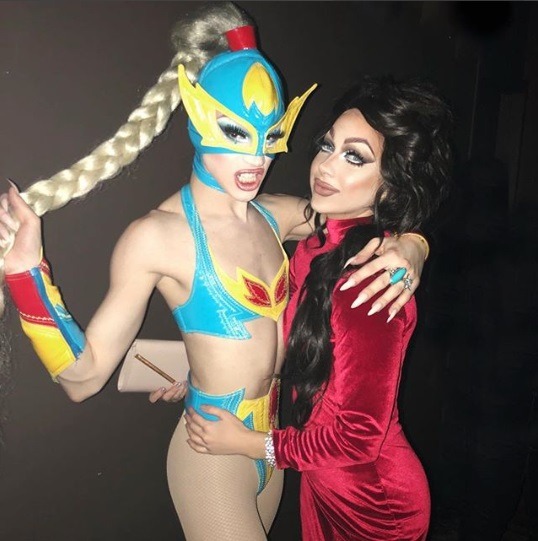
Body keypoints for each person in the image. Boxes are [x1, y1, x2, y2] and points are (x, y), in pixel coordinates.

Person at [0, 4, 428, 540]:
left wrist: (413, 244)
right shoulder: (156, 236)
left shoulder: (274, 215)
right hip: (211, 451)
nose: (257, 159)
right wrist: (26, 274)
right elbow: (82, 379)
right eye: (235, 132)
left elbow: (362, 213)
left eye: (269, 137)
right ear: (200, 119)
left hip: (273, 448)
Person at [184, 75, 453, 540]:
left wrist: (249, 443)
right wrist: (203, 372)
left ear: (391, 186)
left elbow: (357, 438)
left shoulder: (370, 283)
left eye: (354, 157)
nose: (325, 166)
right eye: (328, 146)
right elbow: (287, 341)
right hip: (326, 482)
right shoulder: (315, 246)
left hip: (375, 502)